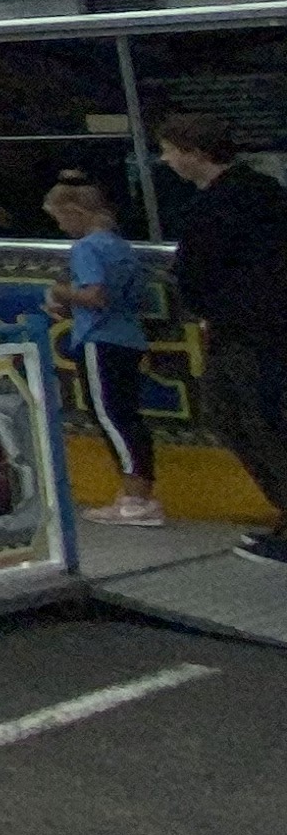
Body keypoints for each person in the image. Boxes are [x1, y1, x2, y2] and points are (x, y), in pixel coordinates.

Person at [157, 111, 287, 565]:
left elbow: (197, 274)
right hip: (256, 328)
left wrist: (208, 304)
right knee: (249, 418)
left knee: (254, 421)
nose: (165, 160)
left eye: (169, 151)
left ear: (194, 153)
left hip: (247, 332)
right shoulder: (264, 192)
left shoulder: (217, 207)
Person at [45, 175, 166, 527]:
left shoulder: (86, 248)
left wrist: (60, 293)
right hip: (129, 337)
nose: (61, 227)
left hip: (99, 338)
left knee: (111, 416)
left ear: (75, 211)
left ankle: (136, 497)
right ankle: (138, 493)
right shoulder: (120, 246)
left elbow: (95, 295)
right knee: (128, 416)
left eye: (60, 218)